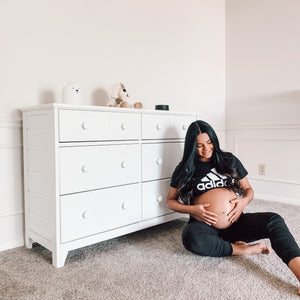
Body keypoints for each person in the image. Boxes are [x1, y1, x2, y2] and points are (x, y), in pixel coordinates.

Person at [166, 120, 300, 295]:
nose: (206, 149)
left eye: (209, 142)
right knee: (190, 237)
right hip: (206, 226)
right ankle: (241, 249)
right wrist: (193, 210)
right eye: (199, 145)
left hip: (237, 223)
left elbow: (249, 190)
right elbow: (170, 201)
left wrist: (244, 202)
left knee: (274, 220)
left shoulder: (228, 160)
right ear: (191, 146)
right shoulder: (185, 168)